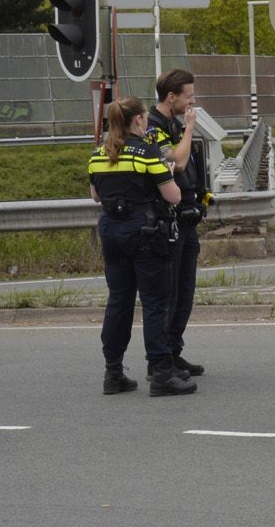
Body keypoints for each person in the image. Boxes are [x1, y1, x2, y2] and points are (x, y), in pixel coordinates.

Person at [87, 98, 195, 397]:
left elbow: (95, 195)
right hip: (145, 230)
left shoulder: (98, 154)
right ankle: (161, 372)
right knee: (154, 302)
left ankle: (113, 372)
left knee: (119, 301)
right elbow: (173, 196)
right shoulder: (147, 152)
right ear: (137, 121)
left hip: (110, 231)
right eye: (145, 117)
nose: (146, 121)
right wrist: (168, 172)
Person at [145, 68, 210, 380]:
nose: (192, 103)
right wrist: (189, 129)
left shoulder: (172, 121)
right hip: (168, 221)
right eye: (188, 97)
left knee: (186, 291)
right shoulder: (154, 127)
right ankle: (161, 359)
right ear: (171, 97)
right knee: (169, 292)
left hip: (187, 215)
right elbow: (177, 161)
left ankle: (174, 350)